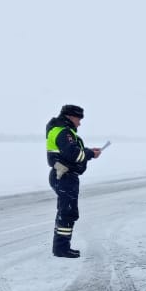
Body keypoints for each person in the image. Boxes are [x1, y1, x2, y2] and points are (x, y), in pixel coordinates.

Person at [46, 104, 101, 258]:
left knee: (66, 212)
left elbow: (71, 152)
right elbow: (73, 154)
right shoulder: (64, 132)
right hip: (64, 176)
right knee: (67, 212)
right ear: (70, 116)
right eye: (78, 118)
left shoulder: (61, 131)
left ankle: (60, 247)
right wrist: (90, 153)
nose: (80, 123)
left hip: (63, 175)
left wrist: (89, 152)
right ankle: (61, 248)